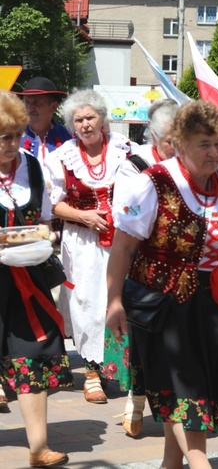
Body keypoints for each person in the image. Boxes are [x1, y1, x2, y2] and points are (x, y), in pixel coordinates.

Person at [106, 100, 218, 469]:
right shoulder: (153, 184)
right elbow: (123, 246)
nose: (215, 152)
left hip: (213, 304)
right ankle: (201, 466)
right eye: (205, 144)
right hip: (162, 306)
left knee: (188, 391)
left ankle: (172, 464)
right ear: (180, 143)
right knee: (185, 392)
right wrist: (114, 301)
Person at [45, 89, 135, 405]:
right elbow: (52, 205)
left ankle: (121, 369)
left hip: (121, 241)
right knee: (85, 302)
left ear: (102, 118)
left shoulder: (126, 150)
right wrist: (83, 215)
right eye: (79, 119)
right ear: (72, 125)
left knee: (119, 300)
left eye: (90, 117)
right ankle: (92, 372)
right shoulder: (61, 157)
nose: (85, 124)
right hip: (80, 241)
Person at [0, 90, 74, 468]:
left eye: (16, 134)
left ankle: (38, 448)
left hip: (28, 277)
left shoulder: (32, 166)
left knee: (33, 357)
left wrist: (44, 235)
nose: (13, 144)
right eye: (4, 137)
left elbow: (42, 220)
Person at [110, 98, 178, 437]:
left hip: (179, 267)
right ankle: (135, 403)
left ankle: (179, 408)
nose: (176, 147)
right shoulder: (134, 165)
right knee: (142, 335)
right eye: (170, 141)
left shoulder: (189, 165)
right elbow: (124, 217)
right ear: (155, 137)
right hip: (142, 263)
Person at [17, 77, 72, 167]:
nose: (30, 108)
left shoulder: (68, 137)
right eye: (27, 102)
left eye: (37, 103)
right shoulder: (12, 137)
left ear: (53, 107)